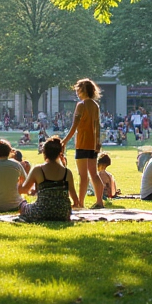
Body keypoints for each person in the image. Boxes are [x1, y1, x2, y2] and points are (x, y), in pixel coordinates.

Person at [62, 78, 106, 209]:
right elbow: (97, 126)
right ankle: (99, 201)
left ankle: (80, 203)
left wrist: (64, 141)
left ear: (83, 90)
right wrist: (98, 142)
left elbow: (74, 126)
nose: (77, 92)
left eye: (78, 89)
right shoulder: (95, 106)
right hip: (93, 144)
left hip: (82, 143)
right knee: (94, 174)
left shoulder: (81, 105)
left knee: (83, 176)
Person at [18, 137, 76, 222]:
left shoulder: (38, 170)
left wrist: (21, 179)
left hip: (41, 212)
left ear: (44, 153)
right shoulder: (67, 172)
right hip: (63, 214)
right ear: (60, 153)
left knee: (22, 205)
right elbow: (76, 201)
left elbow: (23, 190)